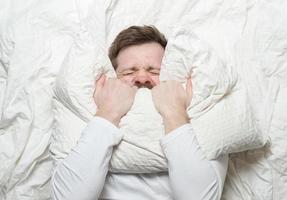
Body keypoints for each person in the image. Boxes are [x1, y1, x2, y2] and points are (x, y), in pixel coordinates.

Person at [51, 25, 228, 200]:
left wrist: (174, 113)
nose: (142, 78)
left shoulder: (201, 112)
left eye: (154, 71)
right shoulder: (86, 116)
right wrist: (108, 112)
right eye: (129, 72)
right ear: (113, 79)